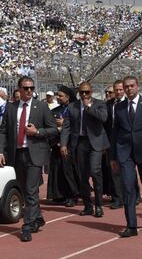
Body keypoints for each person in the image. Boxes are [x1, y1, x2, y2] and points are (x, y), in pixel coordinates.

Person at [0, 76, 57, 242]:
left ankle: (27, 226)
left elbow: (53, 129)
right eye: (26, 88)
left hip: (35, 154)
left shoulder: (42, 107)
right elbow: (3, 131)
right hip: (17, 154)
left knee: (30, 191)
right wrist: (0, 152)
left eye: (31, 88)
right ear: (19, 89)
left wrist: (37, 132)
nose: (29, 91)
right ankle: (37, 217)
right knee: (25, 191)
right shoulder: (11, 108)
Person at [60, 82, 109, 218]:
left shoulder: (99, 104)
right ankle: (88, 206)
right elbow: (66, 127)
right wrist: (63, 144)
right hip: (79, 143)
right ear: (78, 93)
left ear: (91, 92)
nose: (84, 95)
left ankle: (98, 205)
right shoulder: (72, 107)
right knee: (82, 176)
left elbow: (103, 118)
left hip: (95, 143)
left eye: (87, 92)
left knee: (95, 171)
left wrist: (89, 107)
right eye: (82, 92)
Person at [110, 76, 142, 238]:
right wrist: (113, 157)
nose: (129, 89)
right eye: (126, 86)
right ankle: (131, 226)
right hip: (125, 153)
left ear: (137, 86)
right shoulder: (119, 107)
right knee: (128, 189)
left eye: (132, 86)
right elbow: (115, 132)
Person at [47, 86, 79, 207]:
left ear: (68, 97)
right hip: (56, 144)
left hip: (71, 144)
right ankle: (59, 195)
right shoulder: (55, 110)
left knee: (68, 171)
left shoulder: (75, 109)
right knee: (57, 170)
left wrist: (64, 123)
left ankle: (73, 195)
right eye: (57, 95)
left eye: (61, 96)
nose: (58, 98)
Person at [103, 80, 126, 209]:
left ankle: (133, 194)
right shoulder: (109, 104)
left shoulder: (128, 103)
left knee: (128, 170)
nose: (118, 92)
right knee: (114, 169)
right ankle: (118, 198)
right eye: (116, 90)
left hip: (126, 141)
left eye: (120, 89)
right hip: (112, 140)